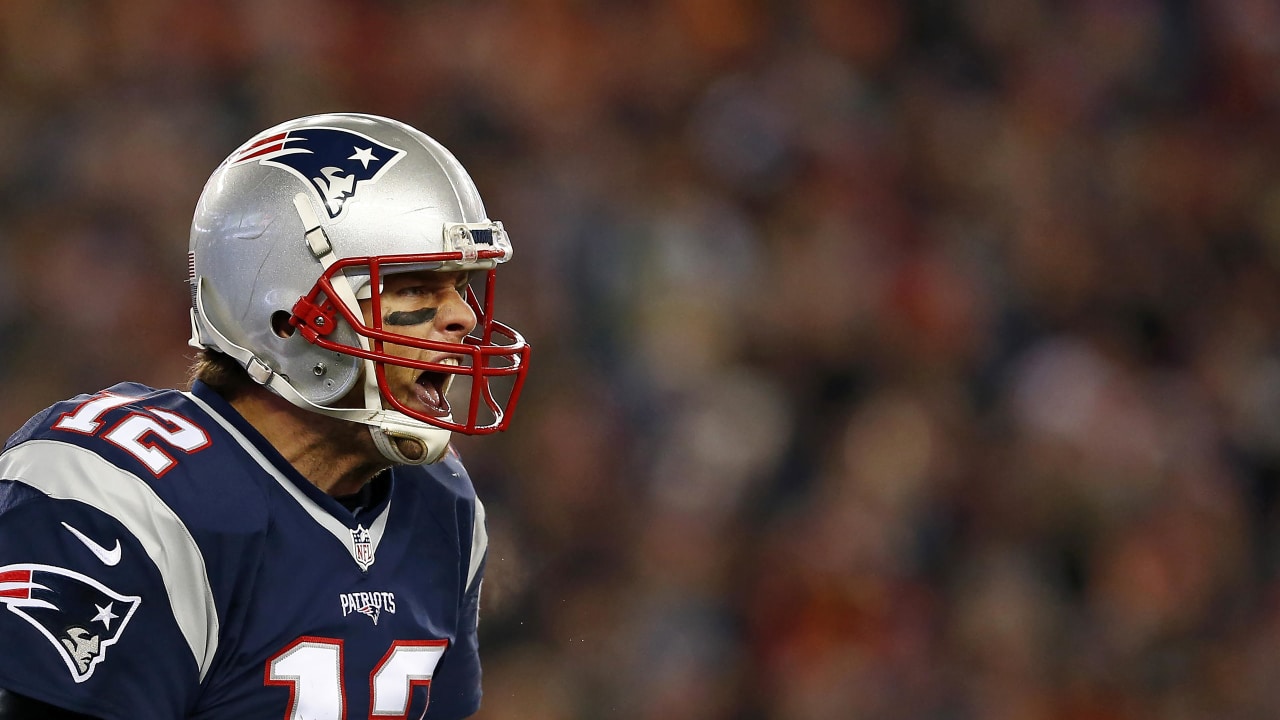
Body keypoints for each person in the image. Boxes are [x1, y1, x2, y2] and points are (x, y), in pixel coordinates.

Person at [0, 113, 530, 720]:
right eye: (415, 287)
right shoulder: (127, 496)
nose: (463, 317)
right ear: (286, 318)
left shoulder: (441, 503)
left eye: (461, 286)